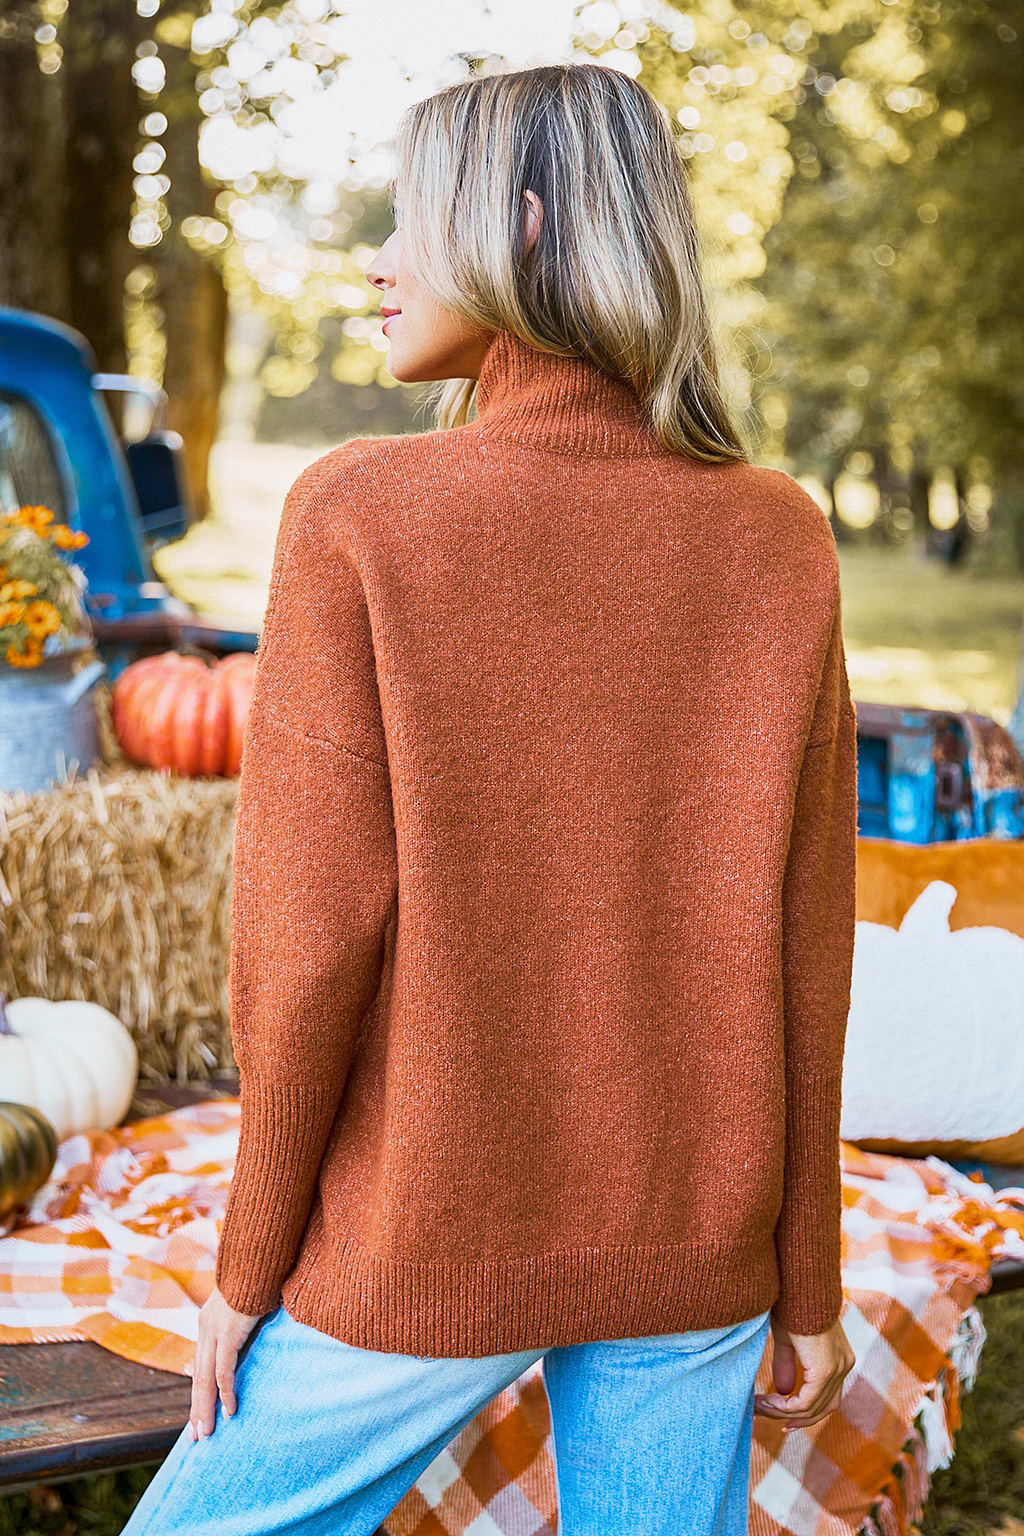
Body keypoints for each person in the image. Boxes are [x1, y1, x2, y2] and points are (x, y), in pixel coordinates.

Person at [122, 61, 856, 1536]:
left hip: (424, 1235)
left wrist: (244, 1271)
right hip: (693, 1246)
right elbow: (809, 947)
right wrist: (808, 1284)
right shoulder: (780, 536)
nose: (378, 260)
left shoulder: (361, 513)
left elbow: (307, 942)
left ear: (522, 230)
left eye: (412, 216)